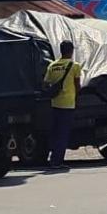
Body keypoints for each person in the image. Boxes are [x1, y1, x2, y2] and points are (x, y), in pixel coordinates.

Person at [42, 40, 82, 171]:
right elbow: (77, 85)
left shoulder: (52, 65)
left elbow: (45, 84)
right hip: (68, 104)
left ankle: (53, 158)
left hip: (55, 103)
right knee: (63, 134)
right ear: (71, 51)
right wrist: (77, 99)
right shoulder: (74, 66)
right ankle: (57, 161)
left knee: (55, 132)